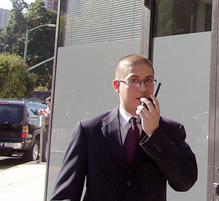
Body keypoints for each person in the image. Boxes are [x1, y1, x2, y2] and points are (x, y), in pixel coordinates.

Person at [49, 54, 197, 201]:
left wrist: (154, 134)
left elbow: (184, 182)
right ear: (117, 86)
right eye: (134, 80)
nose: (142, 88)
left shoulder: (170, 130)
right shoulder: (89, 131)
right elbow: (65, 194)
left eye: (148, 80)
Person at [38, 97, 51, 162]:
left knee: (49, 143)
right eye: (47, 103)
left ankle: (49, 157)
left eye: (48, 103)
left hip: (50, 127)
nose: (47, 104)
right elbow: (42, 117)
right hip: (44, 126)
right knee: (43, 142)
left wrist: (45, 114)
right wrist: (40, 114)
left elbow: (49, 116)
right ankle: (42, 157)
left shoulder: (53, 109)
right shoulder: (46, 109)